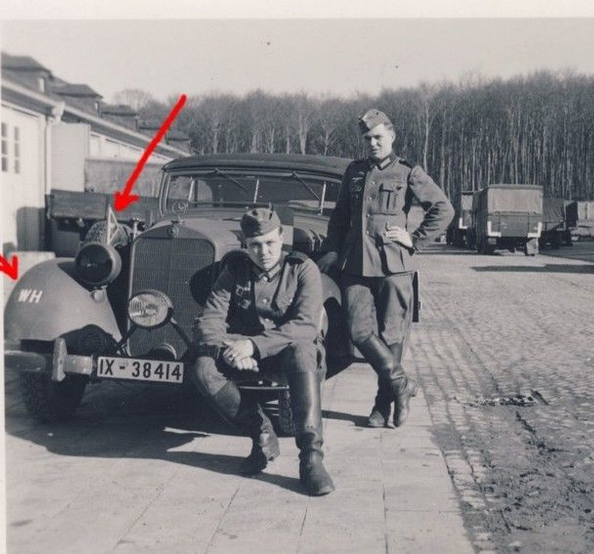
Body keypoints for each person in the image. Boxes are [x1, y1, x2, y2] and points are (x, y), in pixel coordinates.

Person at [318, 108, 454, 428]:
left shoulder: (408, 171)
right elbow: (340, 217)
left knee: (393, 335)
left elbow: (443, 209)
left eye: (378, 137)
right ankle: (402, 384)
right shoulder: (354, 171)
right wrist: (333, 250)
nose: (373, 143)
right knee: (357, 331)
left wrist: (414, 240)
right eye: (368, 138)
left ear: (391, 136)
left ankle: (382, 405)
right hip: (355, 264)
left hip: (394, 265)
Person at [191, 208, 334, 496]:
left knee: (304, 352)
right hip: (243, 353)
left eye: (270, 243)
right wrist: (229, 349)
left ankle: (311, 459)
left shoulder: (302, 268)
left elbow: (305, 326)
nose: (263, 252)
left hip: (287, 354)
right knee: (203, 369)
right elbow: (211, 318)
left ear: (281, 237)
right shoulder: (235, 270)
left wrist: (254, 347)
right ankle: (262, 434)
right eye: (255, 245)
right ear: (245, 244)